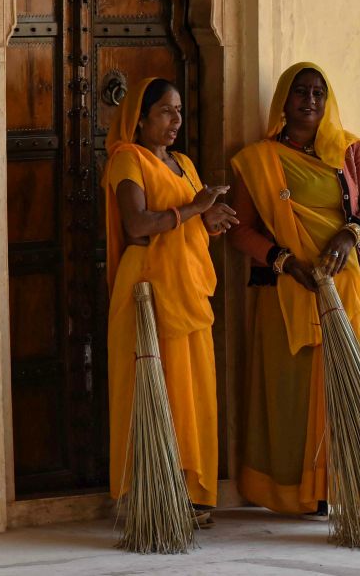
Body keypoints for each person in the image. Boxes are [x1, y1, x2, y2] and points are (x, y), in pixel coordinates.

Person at [228, 62, 360, 518]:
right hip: (290, 292)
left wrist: (351, 233)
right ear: (284, 100)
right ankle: (303, 494)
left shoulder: (349, 149)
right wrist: (283, 261)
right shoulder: (256, 161)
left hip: (348, 290)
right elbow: (240, 231)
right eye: (300, 92)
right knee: (294, 395)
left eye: (319, 93)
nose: (310, 101)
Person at [103, 77, 238, 523]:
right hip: (147, 291)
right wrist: (195, 210)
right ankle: (148, 495)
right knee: (151, 390)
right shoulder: (128, 160)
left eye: (179, 110)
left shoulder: (183, 163)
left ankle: (188, 492)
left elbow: (188, 224)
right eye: (165, 111)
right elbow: (137, 225)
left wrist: (211, 220)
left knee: (191, 391)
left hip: (186, 291)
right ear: (140, 119)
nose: (176, 120)